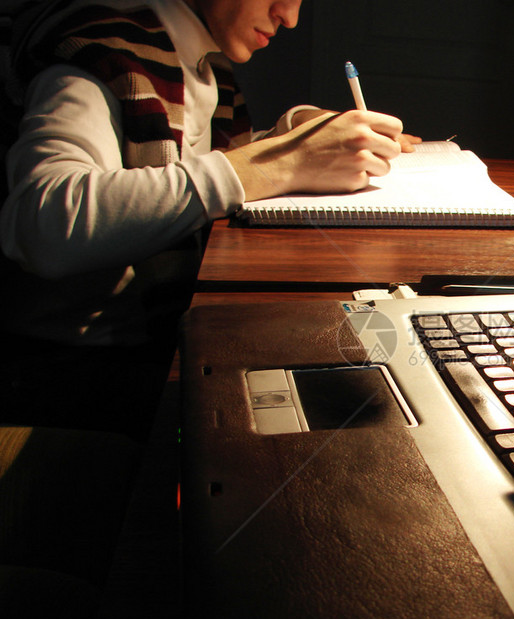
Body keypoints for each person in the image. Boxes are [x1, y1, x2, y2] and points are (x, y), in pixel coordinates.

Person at [0, 0, 418, 435]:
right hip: (71, 371)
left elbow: (179, 164)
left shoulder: (198, 58)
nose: (288, 16)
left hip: (142, 340)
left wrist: (293, 131)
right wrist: (279, 161)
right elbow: (41, 224)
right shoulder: (99, 53)